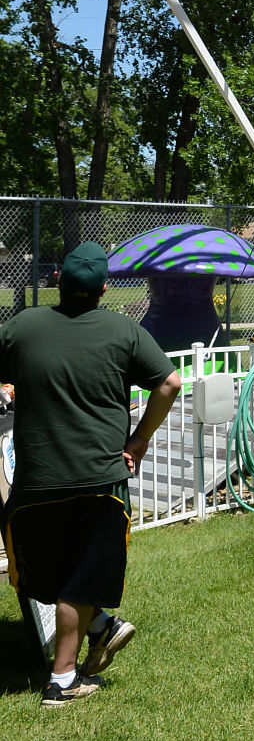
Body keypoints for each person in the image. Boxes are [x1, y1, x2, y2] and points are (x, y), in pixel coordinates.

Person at [0, 242, 181, 705]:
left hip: (35, 480)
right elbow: (169, 382)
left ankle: (101, 626)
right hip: (99, 480)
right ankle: (62, 681)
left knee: (48, 573)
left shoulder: (22, 327)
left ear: (57, 281)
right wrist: (138, 440)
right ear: (104, 287)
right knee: (80, 577)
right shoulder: (125, 331)